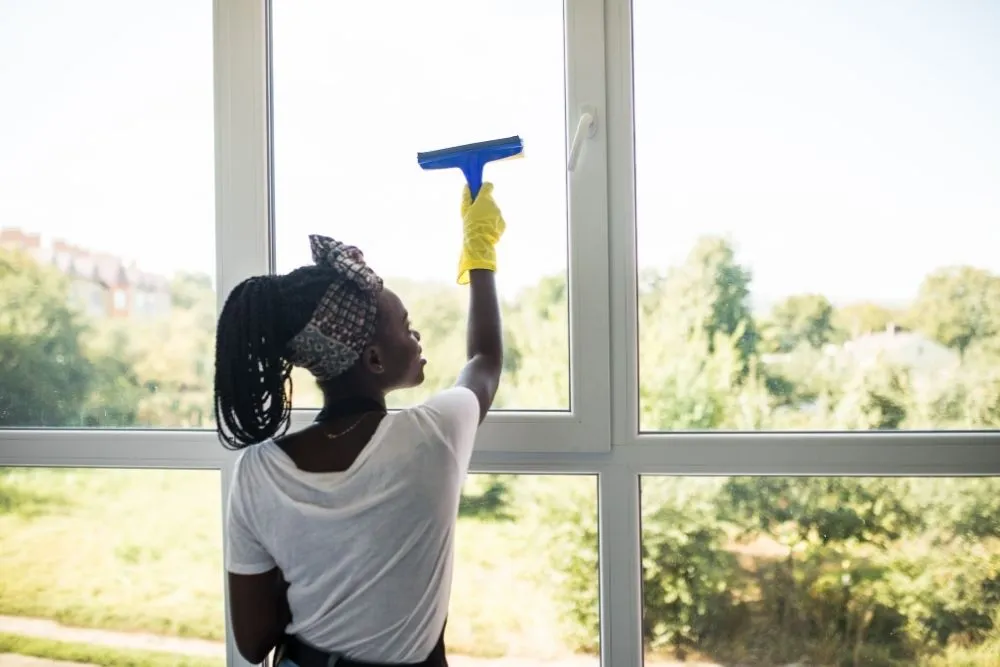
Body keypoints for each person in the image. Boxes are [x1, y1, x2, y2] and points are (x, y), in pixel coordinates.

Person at [213, 184, 507, 667]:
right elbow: (484, 360)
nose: (416, 336)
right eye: (406, 326)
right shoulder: (432, 437)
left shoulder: (257, 470)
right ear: (373, 360)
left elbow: (253, 642)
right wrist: (480, 251)